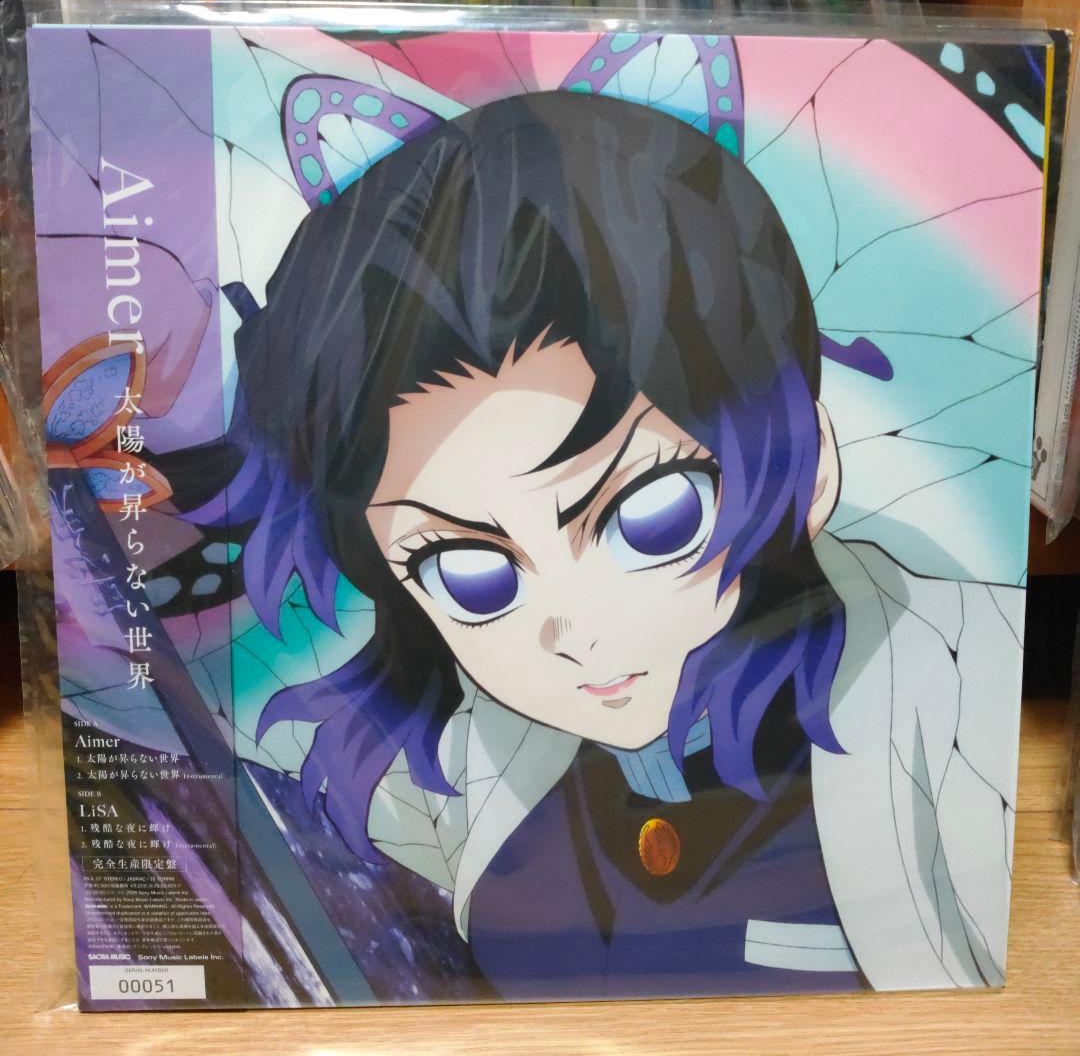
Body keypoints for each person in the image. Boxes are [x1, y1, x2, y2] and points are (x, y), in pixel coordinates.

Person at [190, 90, 1020, 999]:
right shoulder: (482, 748)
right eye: (470, 573)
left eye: (651, 518)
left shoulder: (950, 698)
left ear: (811, 466)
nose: (575, 631)